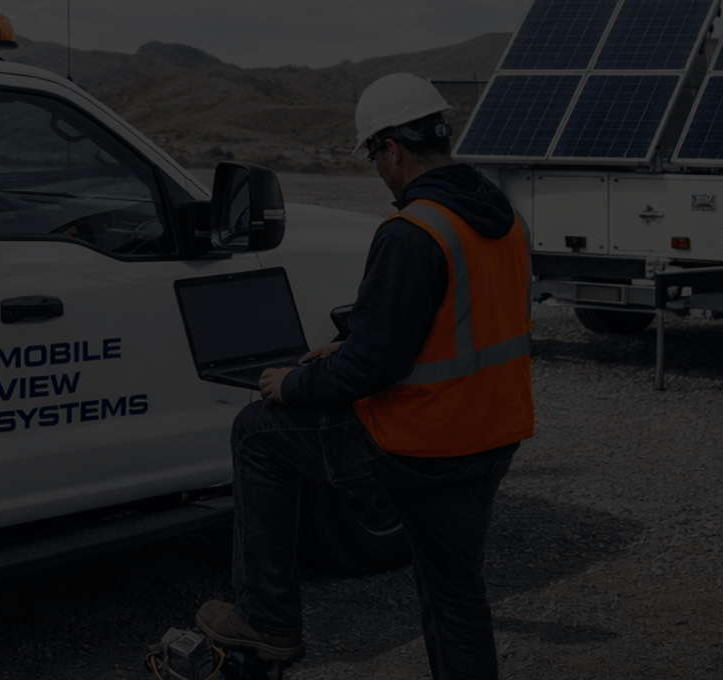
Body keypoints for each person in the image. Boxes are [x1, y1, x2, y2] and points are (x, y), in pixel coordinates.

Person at [195, 73, 533, 679]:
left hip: (422, 438)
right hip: (491, 435)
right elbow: (460, 316)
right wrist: (352, 340)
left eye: (376, 156)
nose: (379, 171)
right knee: (456, 597)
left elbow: (379, 366)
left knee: (257, 431)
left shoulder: (413, 232)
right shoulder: (501, 217)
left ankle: (267, 619)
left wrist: (290, 384)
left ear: (393, 150)